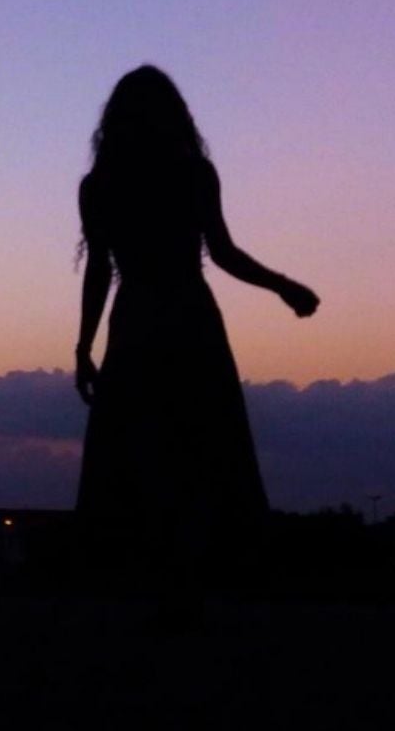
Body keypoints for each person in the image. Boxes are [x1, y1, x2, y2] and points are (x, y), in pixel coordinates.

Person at [71, 65, 318, 581]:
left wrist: (83, 348)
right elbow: (223, 253)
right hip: (190, 318)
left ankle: (143, 573)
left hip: (136, 320)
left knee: (138, 448)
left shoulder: (100, 185)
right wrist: (283, 286)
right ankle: (197, 573)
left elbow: (99, 270)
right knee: (202, 445)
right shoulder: (192, 173)